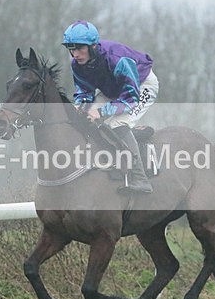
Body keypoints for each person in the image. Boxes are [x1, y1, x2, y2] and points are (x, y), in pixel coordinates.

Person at [61, 20, 159, 194]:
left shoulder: (117, 59)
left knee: (116, 124)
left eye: (79, 48)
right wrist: (80, 108)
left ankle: (140, 178)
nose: (75, 54)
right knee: (83, 119)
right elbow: (84, 91)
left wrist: (100, 112)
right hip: (111, 89)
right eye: (71, 49)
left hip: (140, 87)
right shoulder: (77, 65)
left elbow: (130, 98)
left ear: (93, 46)